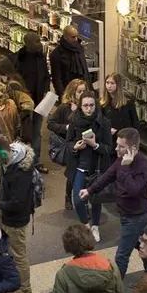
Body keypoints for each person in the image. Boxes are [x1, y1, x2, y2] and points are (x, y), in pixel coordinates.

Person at [80, 127, 147, 279]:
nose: (116, 149)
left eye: (121, 146)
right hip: (126, 214)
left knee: (121, 255)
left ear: (133, 148)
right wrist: (90, 190)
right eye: (117, 145)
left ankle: (115, 287)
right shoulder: (121, 160)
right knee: (141, 245)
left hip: (136, 217)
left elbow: (133, 190)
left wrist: (126, 168)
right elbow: (108, 175)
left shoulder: (143, 166)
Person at [0, 137, 35, 293]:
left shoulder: (21, 172)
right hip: (7, 216)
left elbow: (17, 204)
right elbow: (4, 183)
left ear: (2, 153)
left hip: (16, 220)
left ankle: (25, 290)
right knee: (11, 252)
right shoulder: (8, 162)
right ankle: (14, 282)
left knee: (19, 256)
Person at [67, 91, 113, 242]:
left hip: (97, 167)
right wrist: (75, 147)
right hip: (79, 166)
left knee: (96, 199)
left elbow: (108, 148)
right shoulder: (74, 121)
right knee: (78, 200)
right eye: (85, 105)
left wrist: (95, 145)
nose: (89, 109)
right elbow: (68, 143)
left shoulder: (104, 122)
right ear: (80, 106)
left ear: (96, 105)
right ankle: (86, 224)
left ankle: (95, 226)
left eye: (92, 105)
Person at [12, 33, 50, 173]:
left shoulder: (41, 56)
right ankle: (22, 160)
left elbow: (46, 76)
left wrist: (46, 91)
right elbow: (14, 81)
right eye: (37, 41)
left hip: (40, 102)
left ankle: (36, 162)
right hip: (25, 105)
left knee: (36, 133)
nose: (40, 44)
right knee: (23, 132)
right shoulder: (18, 59)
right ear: (28, 44)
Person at [48, 78, 87, 210]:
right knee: (72, 173)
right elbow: (51, 123)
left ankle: (83, 198)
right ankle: (68, 196)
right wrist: (66, 128)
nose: (82, 94)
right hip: (71, 145)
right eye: (79, 91)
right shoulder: (64, 108)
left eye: (84, 91)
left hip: (85, 143)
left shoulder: (87, 105)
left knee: (85, 172)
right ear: (72, 92)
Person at [0, 57, 36, 148]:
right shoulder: (13, 80)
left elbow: (27, 104)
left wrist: (17, 118)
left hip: (14, 126)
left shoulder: (13, 85)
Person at [100, 73, 138, 161]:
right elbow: (100, 122)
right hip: (110, 141)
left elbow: (134, 121)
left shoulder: (128, 101)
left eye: (112, 83)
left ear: (118, 84)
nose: (109, 86)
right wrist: (107, 129)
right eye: (107, 83)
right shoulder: (103, 103)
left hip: (125, 140)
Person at [50, 25, 91, 96]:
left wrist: (89, 89)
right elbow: (57, 79)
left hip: (83, 90)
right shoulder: (57, 54)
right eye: (73, 37)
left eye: (77, 36)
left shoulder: (79, 49)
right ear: (65, 37)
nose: (76, 39)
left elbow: (85, 70)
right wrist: (62, 96)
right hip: (68, 91)